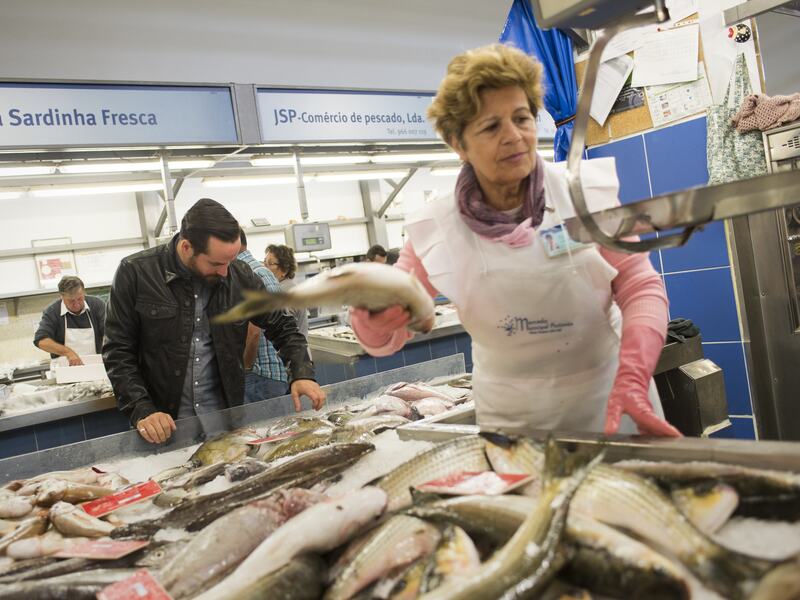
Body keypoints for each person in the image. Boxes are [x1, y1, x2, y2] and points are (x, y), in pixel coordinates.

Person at [350, 44, 680, 437]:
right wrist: (372, 321)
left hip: (610, 398)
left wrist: (633, 374)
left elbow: (640, 287)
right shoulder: (437, 228)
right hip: (514, 419)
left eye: (521, 118)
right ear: (459, 144)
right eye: (491, 127)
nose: (514, 137)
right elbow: (388, 337)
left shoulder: (584, 196)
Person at [103, 198, 325, 444]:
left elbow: (282, 326)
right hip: (165, 425)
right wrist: (141, 408)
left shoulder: (239, 275)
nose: (225, 272)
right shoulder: (135, 273)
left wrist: (302, 373)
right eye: (216, 263)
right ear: (187, 247)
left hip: (225, 422)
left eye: (230, 261)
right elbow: (117, 350)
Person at [238, 230, 291, 403]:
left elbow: (253, 332)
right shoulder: (258, 270)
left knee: (263, 429)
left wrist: (245, 368)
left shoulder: (248, 273)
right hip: (269, 374)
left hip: (260, 374)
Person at [34, 276, 105, 365]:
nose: (76, 304)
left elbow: (109, 332)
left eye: (79, 299)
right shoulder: (52, 311)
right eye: (71, 301)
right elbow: (41, 341)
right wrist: (68, 352)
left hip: (95, 364)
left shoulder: (96, 304)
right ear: (61, 296)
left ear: (83, 292)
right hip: (65, 368)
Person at [265, 244, 309, 337]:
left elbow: (284, 332)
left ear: (284, 269)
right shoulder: (288, 287)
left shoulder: (284, 292)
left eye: (270, 263)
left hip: (294, 350)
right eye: (264, 263)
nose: (264, 267)